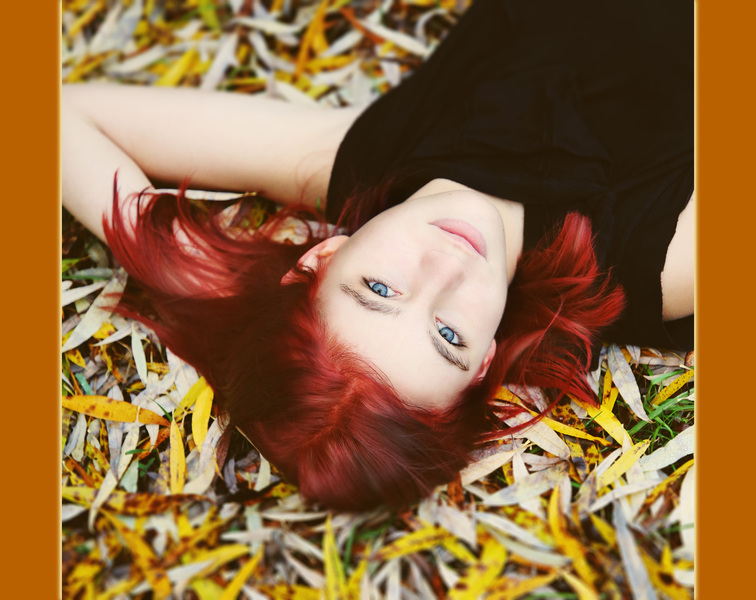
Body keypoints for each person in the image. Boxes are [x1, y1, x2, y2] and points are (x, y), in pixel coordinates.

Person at [62, 0, 693, 510]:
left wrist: (184, 269)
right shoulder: (658, 263)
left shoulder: (360, 160)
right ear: (484, 363)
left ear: (321, 258)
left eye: (380, 290)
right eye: (448, 336)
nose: (446, 269)